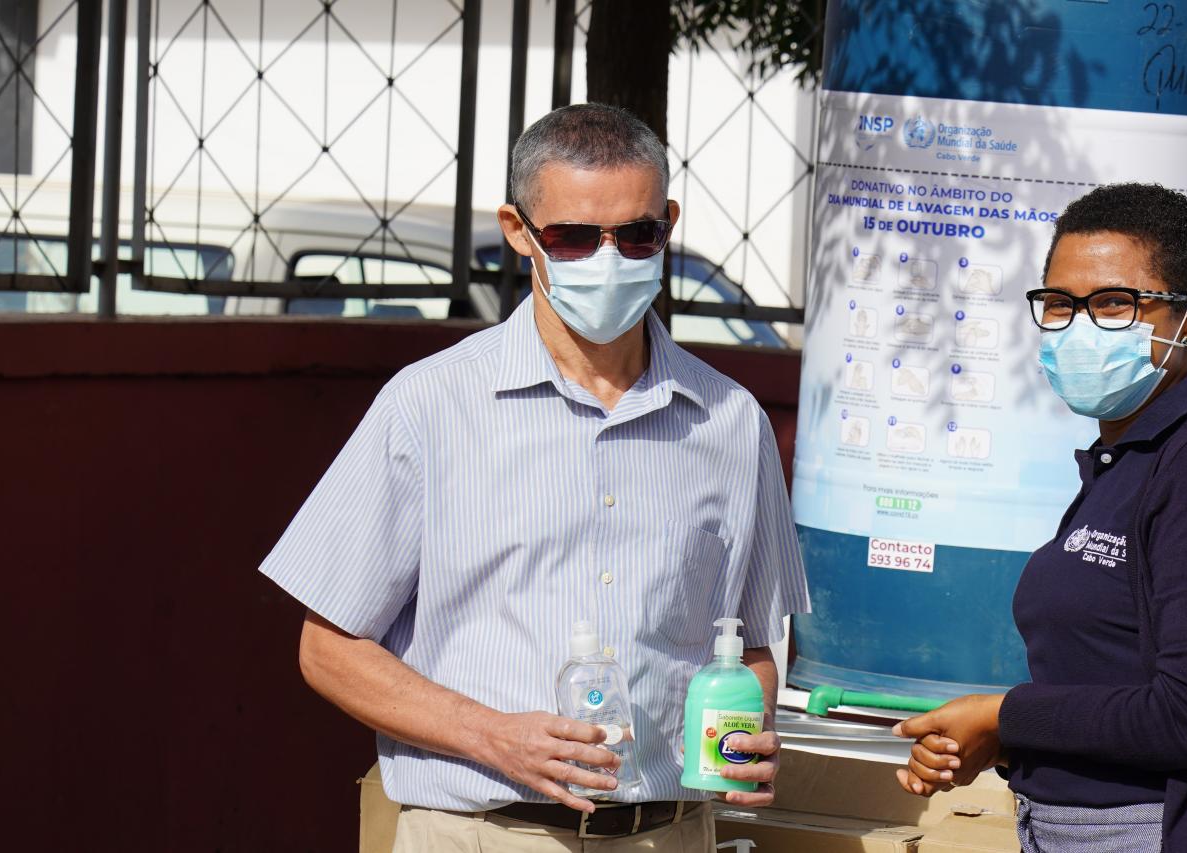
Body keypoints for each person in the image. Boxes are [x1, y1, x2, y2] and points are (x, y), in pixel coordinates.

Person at [259, 103, 810, 852]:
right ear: (520, 232)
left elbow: (750, 646)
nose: (609, 260)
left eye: (638, 234)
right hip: (482, 831)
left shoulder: (730, 421)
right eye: (575, 238)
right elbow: (327, 650)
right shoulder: (430, 406)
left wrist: (748, 732)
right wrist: (490, 735)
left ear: (668, 225)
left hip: (667, 833)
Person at [892, 183, 1187, 853]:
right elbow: (1107, 687)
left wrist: (1005, 712)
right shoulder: (1124, 461)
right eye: (1058, 303)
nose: (1078, 325)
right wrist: (1003, 741)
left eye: (1112, 303)